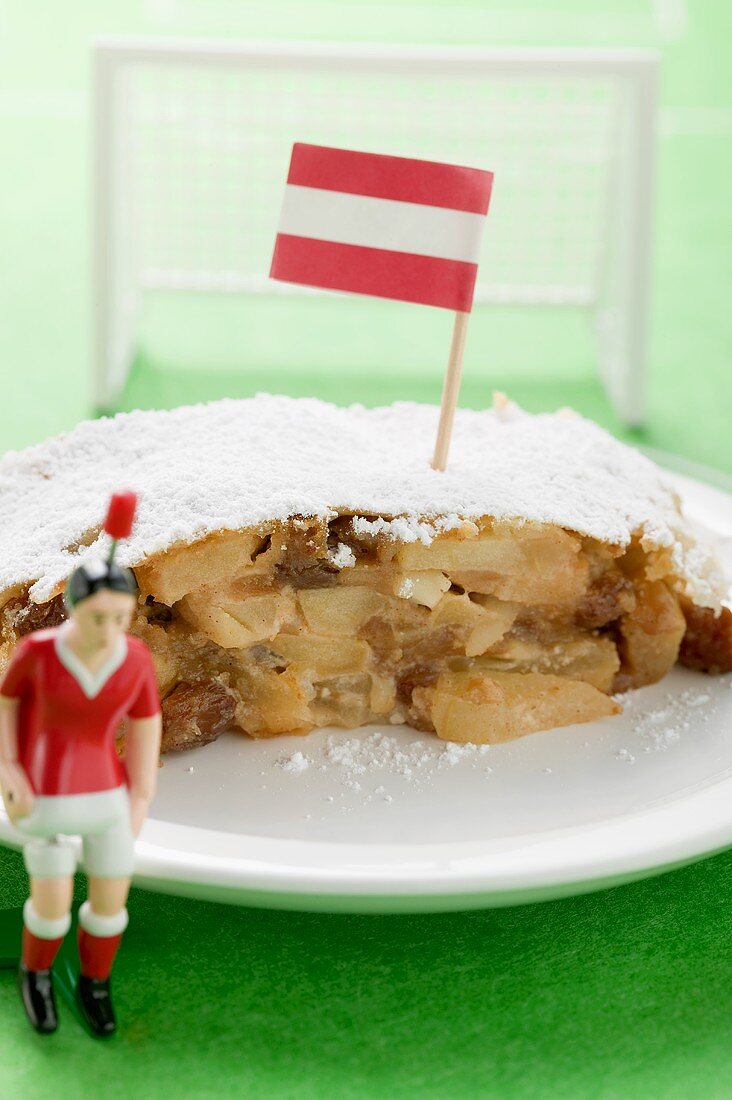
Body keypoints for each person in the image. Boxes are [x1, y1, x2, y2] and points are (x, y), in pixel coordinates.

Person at [0, 492, 161, 1036]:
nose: (109, 628)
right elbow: (6, 702)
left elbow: (145, 725)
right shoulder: (39, 653)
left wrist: (140, 796)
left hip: (109, 800)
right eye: (98, 616)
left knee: (110, 904)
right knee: (51, 904)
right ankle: (37, 973)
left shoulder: (135, 660)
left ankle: (96, 982)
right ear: (72, 606)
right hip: (44, 797)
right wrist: (10, 771)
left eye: (121, 617)